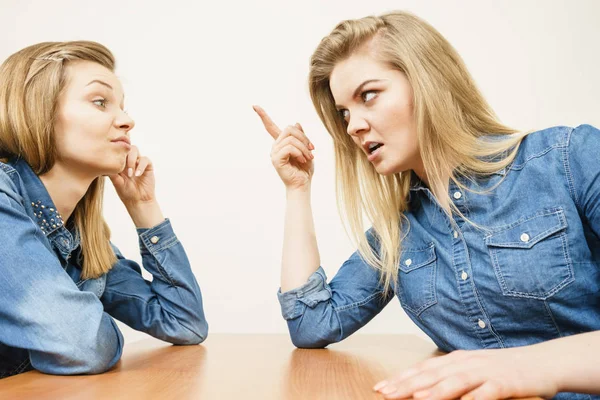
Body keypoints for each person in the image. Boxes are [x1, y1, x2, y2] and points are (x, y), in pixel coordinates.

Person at [255, 11, 600, 400]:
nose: (352, 126)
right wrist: (297, 190)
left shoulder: (572, 159)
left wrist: (526, 365)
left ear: (427, 80)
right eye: (344, 113)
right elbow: (311, 324)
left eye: (368, 95)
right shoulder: (399, 232)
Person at [0, 41, 208, 378]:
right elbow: (82, 344)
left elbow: (185, 323)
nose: (127, 121)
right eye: (101, 102)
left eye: (123, 107)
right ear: (37, 109)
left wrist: (143, 206)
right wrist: (89, 323)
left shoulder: (81, 242)